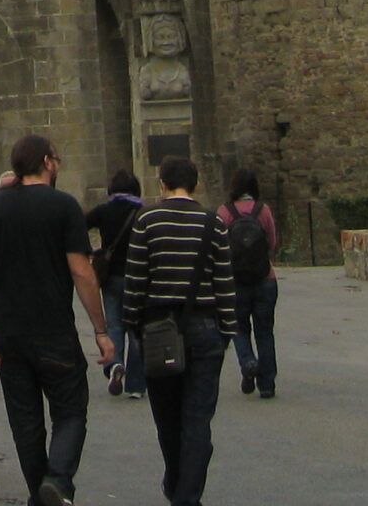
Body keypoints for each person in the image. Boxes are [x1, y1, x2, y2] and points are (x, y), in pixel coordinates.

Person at [0, 133, 113, 506]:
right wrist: (100, 329)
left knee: (25, 421)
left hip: (6, 331)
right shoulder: (64, 206)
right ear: (46, 161)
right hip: (53, 328)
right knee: (70, 411)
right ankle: (58, 480)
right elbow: (81, 271)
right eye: (56, 158)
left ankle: (40, 494)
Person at [125, 155, 237, 506]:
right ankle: (186, 495)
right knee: (198, 419)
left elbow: (136, 280)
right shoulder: (213, 223)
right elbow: (224, 282)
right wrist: (226, 331)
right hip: (205, 327)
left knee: (168, 419)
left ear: (161, 184)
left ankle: (178, 486)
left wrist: (133, 327)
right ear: (196, 184)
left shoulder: (147, 220)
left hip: (158, 330)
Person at [83, 168, 144, 398]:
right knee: (136, 329)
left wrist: (90, 252)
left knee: (115, 325)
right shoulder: (142, 212)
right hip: (137, 277)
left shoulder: (104, 210)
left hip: (111, 276)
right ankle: (137, 385)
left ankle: (115, 364)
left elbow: (80, 224)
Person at [222, 170, 279, 399]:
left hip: (234, 281)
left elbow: (218, 248)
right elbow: (272, 242)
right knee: (264, 332)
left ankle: (247, 362)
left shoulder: (224, 212)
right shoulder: (263, 210)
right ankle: (267, 385)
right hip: (265, 279)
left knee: (238, 328)